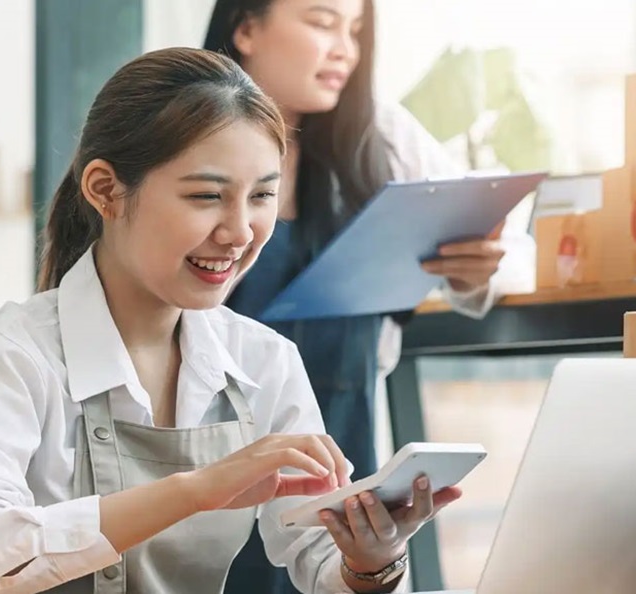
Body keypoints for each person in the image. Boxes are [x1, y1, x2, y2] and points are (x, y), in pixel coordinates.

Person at [0, 48, 461, 594]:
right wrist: (195, 490)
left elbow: (319, 555)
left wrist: (372, 560)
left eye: (261, 196)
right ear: (105, 190)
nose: (240, 230)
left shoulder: (264, 361)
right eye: (206, 196)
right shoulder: (4, 359)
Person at [202, 1, 536, 592]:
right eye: (322, 22)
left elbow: (508, 242)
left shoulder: (375, 134)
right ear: (246, 27)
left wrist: (469, 271)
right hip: (210, 467)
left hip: (343, 455)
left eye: (355, 31)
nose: (345, 50)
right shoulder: (184, 137)